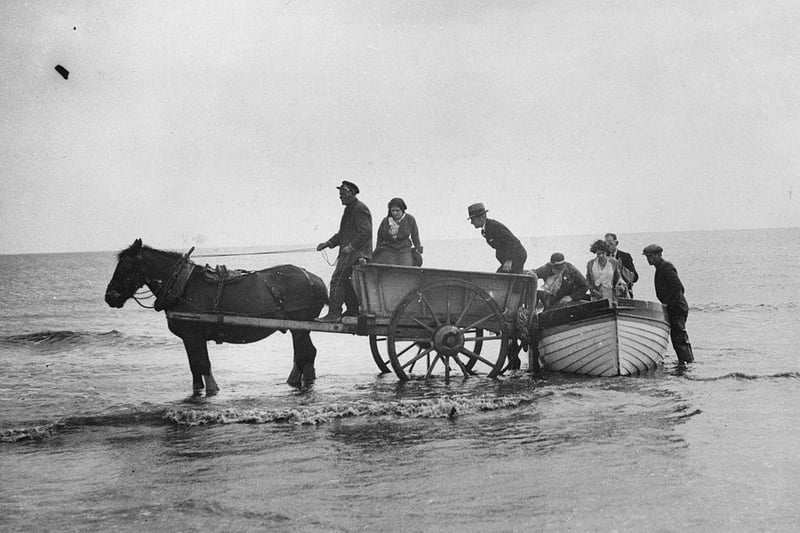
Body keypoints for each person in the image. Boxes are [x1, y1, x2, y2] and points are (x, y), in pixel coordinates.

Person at [316, 180, 372, 322]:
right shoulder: (350, 209)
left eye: (342, 194)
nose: (340, 197)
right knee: (346, 281)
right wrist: (328, 243)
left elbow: (366, 232)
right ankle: (353, 310)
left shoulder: (359, 208)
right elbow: (342, 234)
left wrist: (351, 247)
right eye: (340, 195)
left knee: (337, 280)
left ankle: (334, 313)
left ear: (351, 193)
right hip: (351, 252)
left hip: (356, 253)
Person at [642, 244, 695, 363]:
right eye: (647, 257)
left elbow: (678, 287)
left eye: (650, 256)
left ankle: (687, 362)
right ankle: (686, 362)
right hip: (675, 306)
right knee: (678, 337)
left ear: (658, 255)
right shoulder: (661, 267)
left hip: (676, 307)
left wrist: (668, 303)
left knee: (679, 337)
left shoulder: (666, 267)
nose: (648, 259)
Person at [467, 203, 527, 273]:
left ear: (482, 217)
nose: (471, 222)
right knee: (499, 277)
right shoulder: (485, 230)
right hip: (509, 259)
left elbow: (511, 241)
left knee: (511, 280)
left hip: (516, 256)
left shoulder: (494, 226)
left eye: (472, 219)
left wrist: (508, 261)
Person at [373, 197, 422, 266]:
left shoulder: (410, 219)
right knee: (388, 269)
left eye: (397, 210)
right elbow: (380, 237)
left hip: (404, 249)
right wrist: (377, 250)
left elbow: (415, 235)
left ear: (402, 210)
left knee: (406, 269)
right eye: (392, 210)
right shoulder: (385, 221)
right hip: (388, 249)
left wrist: (418, 247)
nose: (395, 213)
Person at [604, 232, 639, 297]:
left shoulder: (625, 257)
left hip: (624, 294)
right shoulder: (603, 258)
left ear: (616, 243)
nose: (608, 247)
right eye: (606, 245)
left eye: (611, 244)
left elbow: (635, 277)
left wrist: (620, 269)